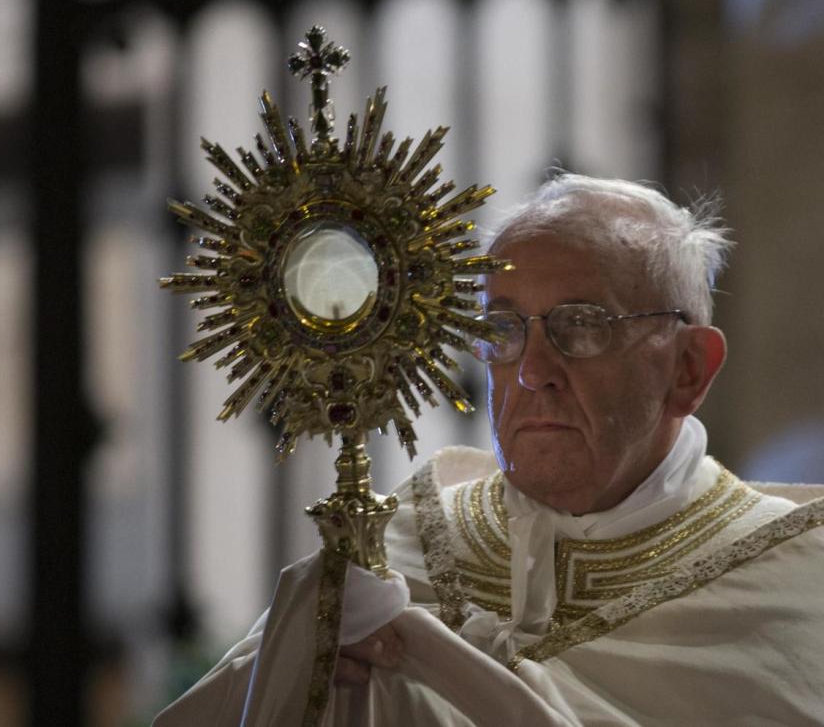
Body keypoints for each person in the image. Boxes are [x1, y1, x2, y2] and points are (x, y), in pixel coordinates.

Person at [155, 174, 824, 726]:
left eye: (582, 326)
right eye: (502, 329)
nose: (533, 371)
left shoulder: (795, 583)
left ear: (688, 369)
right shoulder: (388, 550)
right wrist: (294, 679)